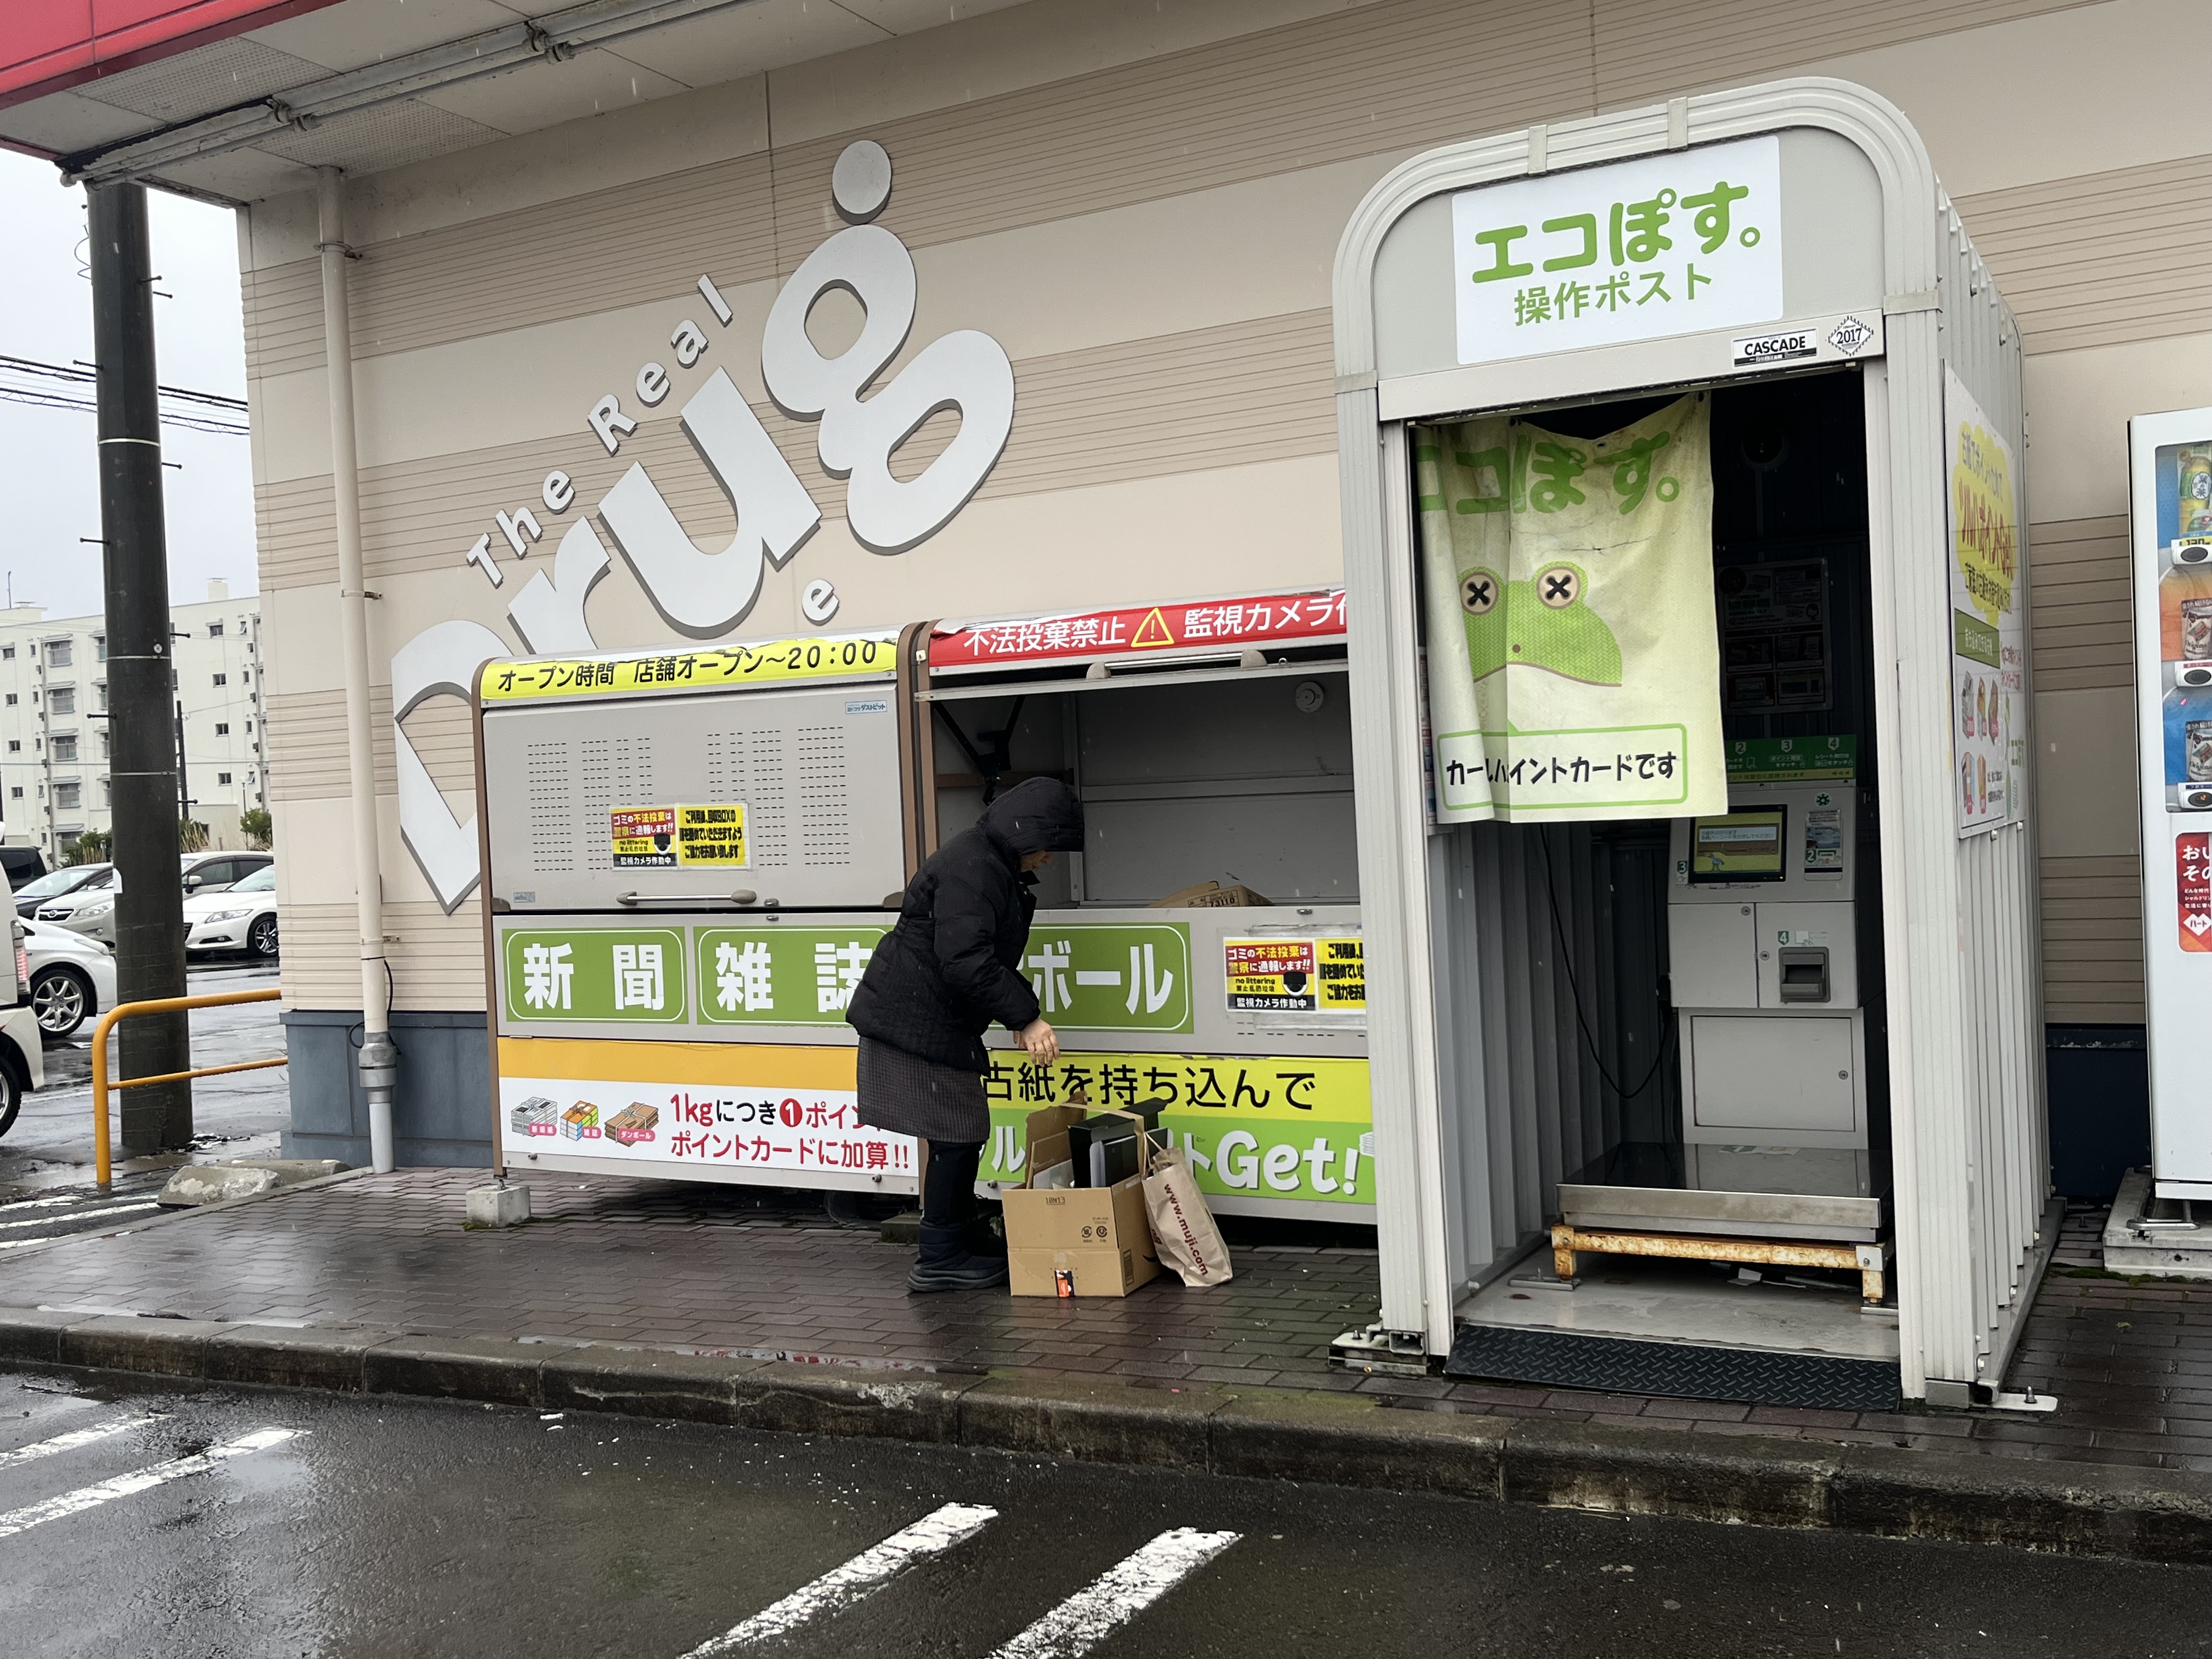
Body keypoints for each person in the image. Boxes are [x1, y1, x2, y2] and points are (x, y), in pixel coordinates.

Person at [847, 777, 1085, 1291]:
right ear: (1026, 833)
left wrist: (1017, 1012)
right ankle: (940, 1256)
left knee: (960, 1133)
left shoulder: (986, 862)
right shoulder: (972, 867)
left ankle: (956, 1236)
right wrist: (1025, 1018)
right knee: (957, 1134)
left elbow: (976, 958)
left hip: (926, 1016)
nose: (1049, 859)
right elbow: (966, 960)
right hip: (914, 1019)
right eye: (1048, 846)